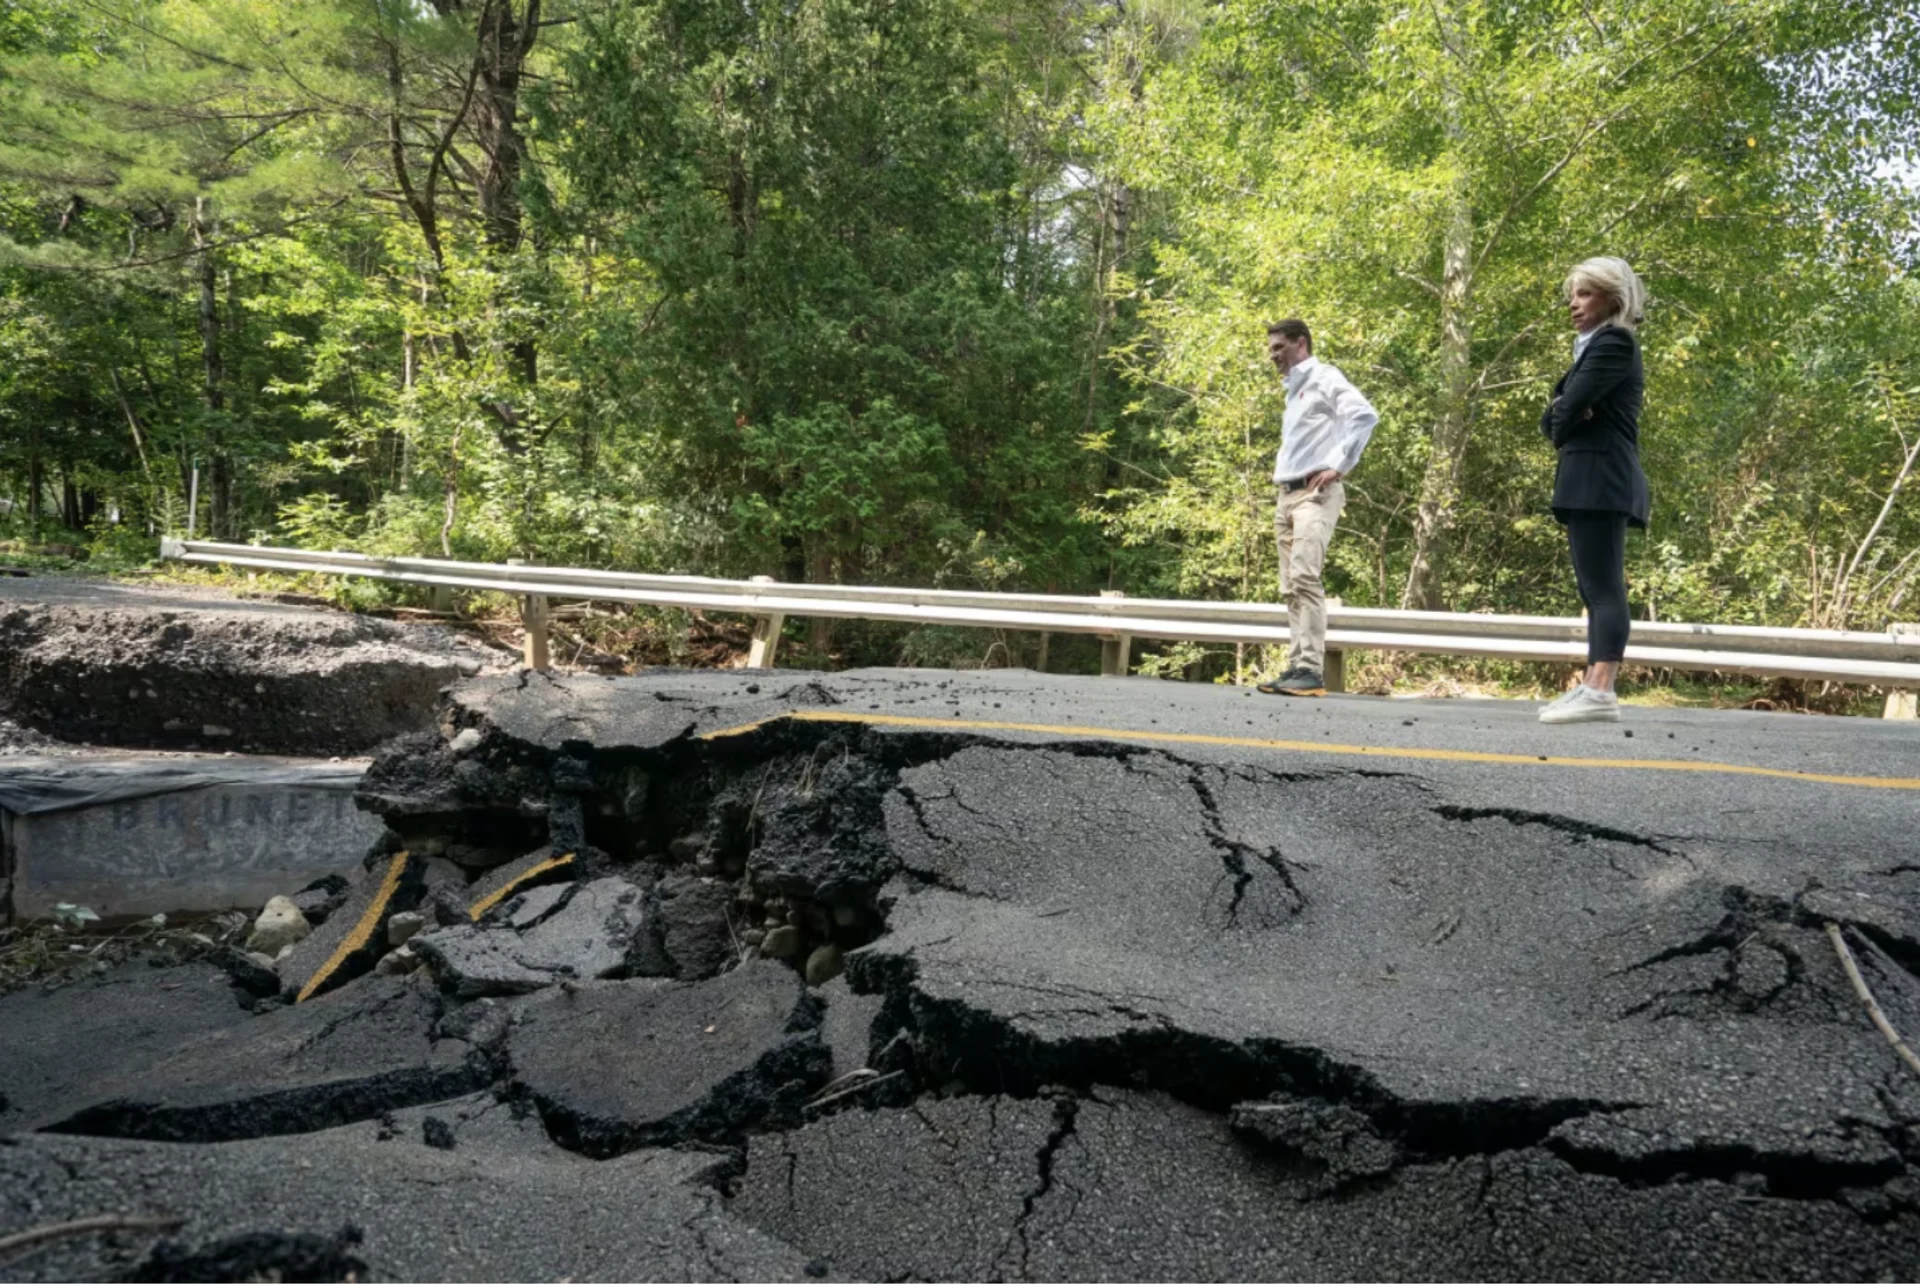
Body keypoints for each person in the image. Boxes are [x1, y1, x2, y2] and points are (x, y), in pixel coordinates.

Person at [1538, 256, 1651, 725]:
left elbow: (1567, 410)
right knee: (1593, 588)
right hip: (1589, 477)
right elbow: (1555, 416)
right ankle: (1591, 683)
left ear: (1613, 297)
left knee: (1605, 589)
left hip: (1602, 477)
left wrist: (1564, 415)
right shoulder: (1593, 347)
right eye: (1573, 294)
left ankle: (1601, 690)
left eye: (1585, 293)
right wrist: (1562, 414)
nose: (1573, 303)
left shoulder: (1614, 342)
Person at [1257, 319, 1378, 697]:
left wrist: (1339, 465)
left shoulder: (1323, 377)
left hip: (1315, 493)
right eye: (1272, 349)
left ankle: (1311, 668)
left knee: (1305, 577)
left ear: (1302, 345)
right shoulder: (1293, 391)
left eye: (1280, 347)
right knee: (1290, 585)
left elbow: (1364, 415)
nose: (1273, 355)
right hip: (1287, 493)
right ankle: (1297, 666)